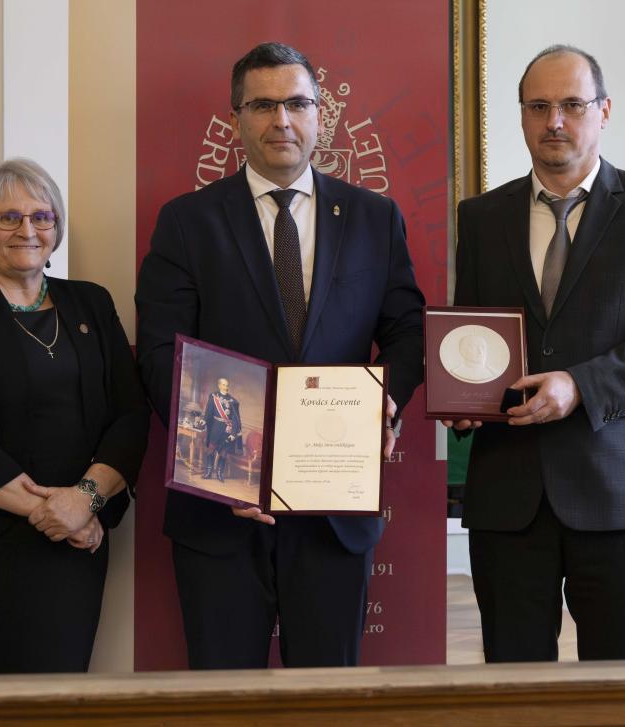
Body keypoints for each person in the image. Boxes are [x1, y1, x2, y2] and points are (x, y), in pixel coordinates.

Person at [136, 42, 424, 669]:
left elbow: (408, 332)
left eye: (296, 103)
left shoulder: (374, 218)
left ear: (320, 114)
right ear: (236, 118)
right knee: (224, 696)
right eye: (263, 105)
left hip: (332, 507)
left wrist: (386, 404)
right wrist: (221, 473)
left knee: (326, 697)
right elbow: (159, 353)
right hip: (221, 509)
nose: (281, 120)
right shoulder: (186, 222)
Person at [449, 45, 625, 662]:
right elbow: (471, 338)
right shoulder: (480, 218)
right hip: (507, 493)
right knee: (515, 685)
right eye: (538, 107)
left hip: (615, 488)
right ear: (522, 115)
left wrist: (580, 385)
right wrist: (462, 399)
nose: (554, 121)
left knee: (616, 687)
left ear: (604, 110)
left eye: (571, 105)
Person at [0, 158, 149, 674]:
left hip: (73, 541)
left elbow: (129, 414)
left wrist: (84, 501)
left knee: (59, 689)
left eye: (42, 216)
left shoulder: (92, 302)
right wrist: (54, 512)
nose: (28, 230)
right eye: (8, 217)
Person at [203, 377, 241, 481]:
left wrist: (233, 433)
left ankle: (220, 474)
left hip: (226, 430)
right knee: (211, 450)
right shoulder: (213, 397)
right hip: (215, 428)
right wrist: (204, 420)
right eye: (223, 385)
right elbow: (208, 412)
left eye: (227, 385)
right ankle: (209, 472)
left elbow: (235, 419)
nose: (226, 387)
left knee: (224, 453)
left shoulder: (233, 401)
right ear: (219, 385)